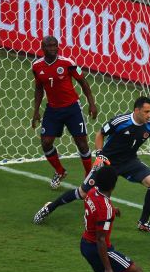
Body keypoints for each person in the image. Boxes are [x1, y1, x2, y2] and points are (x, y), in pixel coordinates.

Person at [34, 96, 150, 234]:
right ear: (136, 110)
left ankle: (143, 223)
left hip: (130, 162)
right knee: (82, 193)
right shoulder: (120, 121)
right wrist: (100, 153)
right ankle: (50, 207)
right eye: (146, 112)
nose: (149, 115)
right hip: (108, 162)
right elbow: (100, 134)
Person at [79, 165, 150, 272]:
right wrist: (107, 268)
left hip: (86, 243)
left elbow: (96, 210)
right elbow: (100, 239)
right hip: (98, 247)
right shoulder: (105, 209)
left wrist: (112, 210)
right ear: (113, 185)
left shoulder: (93, 192)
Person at [31, 36, 99, 189]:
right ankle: (60, 171)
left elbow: (83, 82)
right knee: (46, 142)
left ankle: (89, 178)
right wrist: (36, 111)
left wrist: (91, 103)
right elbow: (39, 88)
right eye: (49, 46)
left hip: (72, 108)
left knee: (82, 143)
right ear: (43, 47)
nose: (53, 48)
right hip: (53, 109)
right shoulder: (36, 66)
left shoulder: (68, 63)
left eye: (55, 45)